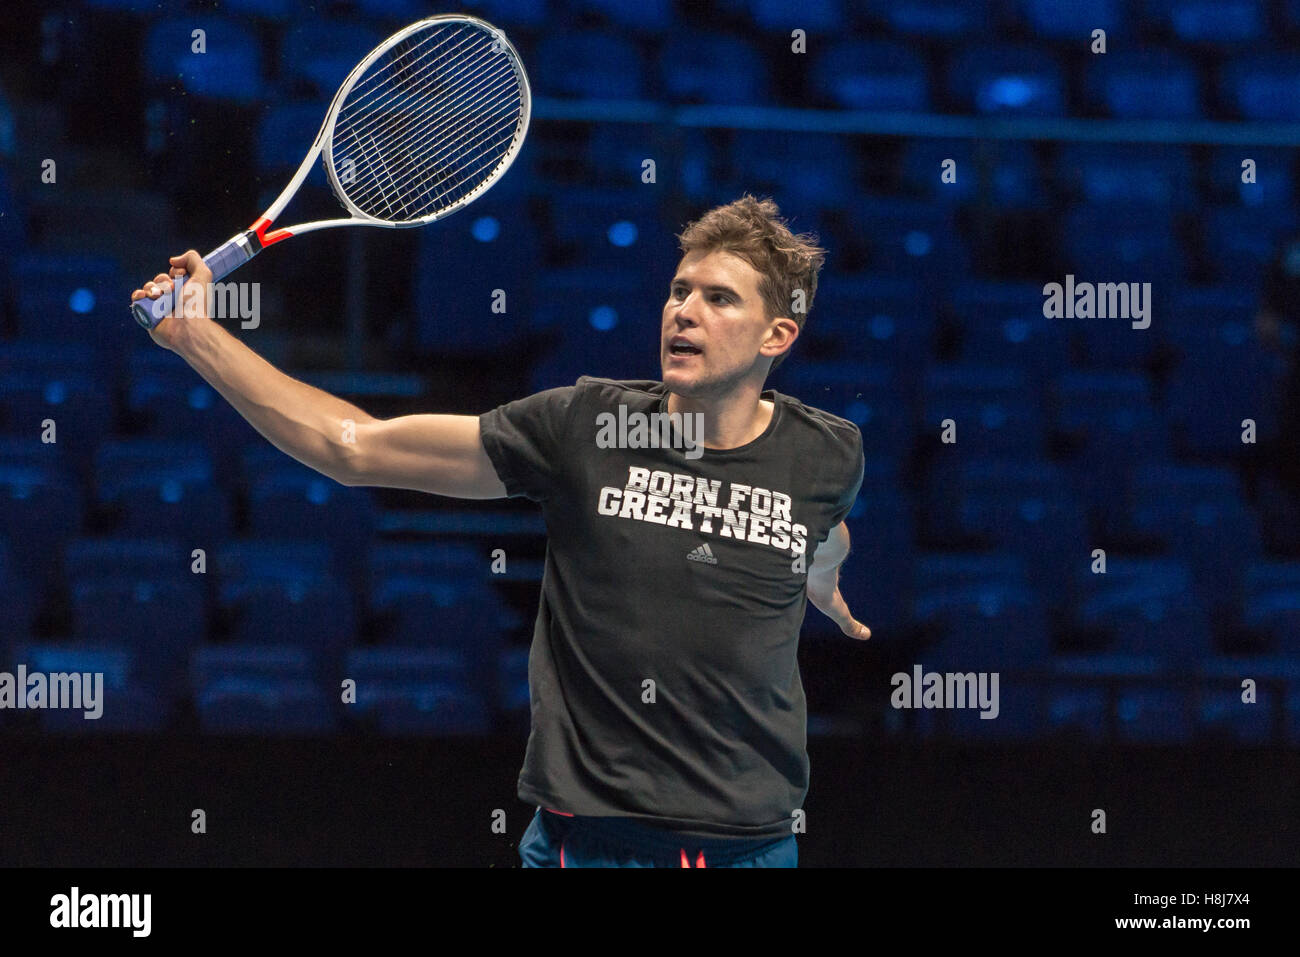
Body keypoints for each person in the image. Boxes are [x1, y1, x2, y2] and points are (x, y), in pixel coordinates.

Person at [131, 194, 870, 868]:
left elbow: (821, 529)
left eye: (718, 299)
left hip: (750, 848)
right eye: (679, 291)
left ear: (778, 333)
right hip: (587, 843)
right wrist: (196, 336)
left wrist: (822, 575)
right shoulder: (584, 430)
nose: (684, 312)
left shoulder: (827, 453)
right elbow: (352, 447)